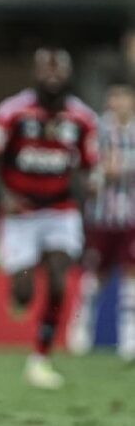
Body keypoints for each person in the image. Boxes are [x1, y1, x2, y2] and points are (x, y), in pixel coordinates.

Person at [0, 48, 99, 389]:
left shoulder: (82, 118)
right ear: (34, 74)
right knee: (24, 293)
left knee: (60, 279)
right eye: (46, 71)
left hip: (60, 210)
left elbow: (90, 166)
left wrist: (89, 187)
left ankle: (41, 359)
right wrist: (2, 195)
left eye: (58, 71)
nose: (52, 77)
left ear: (68, 76)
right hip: (21, 212)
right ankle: (19, 290)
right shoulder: (13, 111)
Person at [69, 82, 135, 361]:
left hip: (131, 216)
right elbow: (82, 167)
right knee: (95, 275)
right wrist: (99, 176)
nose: (119, 103)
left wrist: (122, 169)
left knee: (131, 278)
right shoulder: (96, 129)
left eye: (124, 98)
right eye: (115, 97)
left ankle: (129, 338)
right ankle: (80, 330)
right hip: (102, 217)